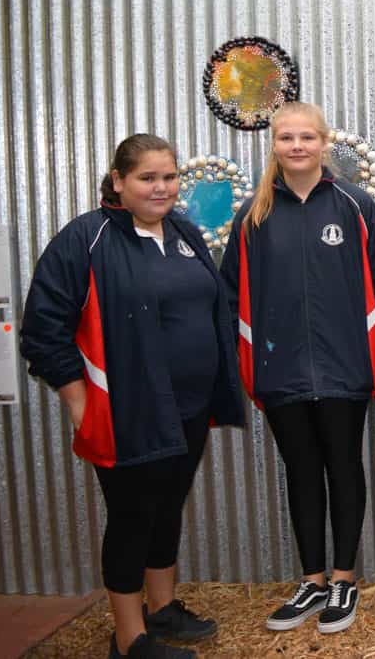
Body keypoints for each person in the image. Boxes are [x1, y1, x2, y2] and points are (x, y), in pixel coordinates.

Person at [21, 134, 245, 658]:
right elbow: (43, 330)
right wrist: (80, 402)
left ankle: (161, 610)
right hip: (126, 409)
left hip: (188, 406)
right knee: (132, 516)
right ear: (118, 181)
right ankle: (128, 638)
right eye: (147, 178)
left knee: (167, 508)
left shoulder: (184, 232)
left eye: (169, 177)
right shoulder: (86, 238)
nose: (161, 187)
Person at [220, 102, 375, 634]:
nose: (296, 146)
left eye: (306, 137)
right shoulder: (252, 215)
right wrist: (252, 353)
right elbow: (231, 294)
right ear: (273, 145)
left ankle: (344, 579)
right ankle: (313, 580)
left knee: (343, 467)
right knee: (300, 471)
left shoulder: (356, 205)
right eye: (286, 138)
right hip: (280, 368)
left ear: (324, 143)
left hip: (345, 367)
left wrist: (371, 344)